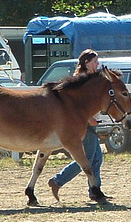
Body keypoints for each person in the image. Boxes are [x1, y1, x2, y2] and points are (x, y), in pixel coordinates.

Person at [48, 49, 106, 202]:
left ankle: (95, 190)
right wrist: (89, 119)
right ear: (86, 63)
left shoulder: (89, 79)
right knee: (87, 158)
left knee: (97, 159)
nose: (97, 64)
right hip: (83, 124)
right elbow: (75, 106)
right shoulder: (78, 80)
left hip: (89, 122)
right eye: (95, 61)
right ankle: (58, 181)